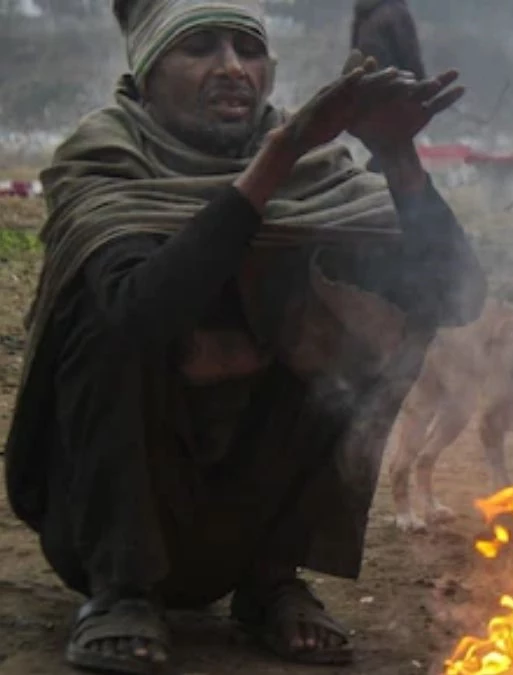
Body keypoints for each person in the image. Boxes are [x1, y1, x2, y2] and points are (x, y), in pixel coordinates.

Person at [3, 0, 487, 672]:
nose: (232, 68)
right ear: (146, 70)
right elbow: (137, 317)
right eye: (200, 47)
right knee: (100, 311)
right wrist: (274, 159)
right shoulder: (105, 157)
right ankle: (123, 590)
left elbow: (453, 298)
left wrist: (397, 157)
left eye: (247, 49)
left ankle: (271, 581)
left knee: (371, 314)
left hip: (242, 509)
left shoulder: (315, 174)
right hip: (104, 519)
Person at [351, 0, 428, 173]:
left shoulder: (363, 15)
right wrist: (424, 91)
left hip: (368, 97)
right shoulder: (396, 12)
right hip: (395, 92)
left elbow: (354, 59)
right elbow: (411, 58)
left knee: (385, 155)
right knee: (395, 158)